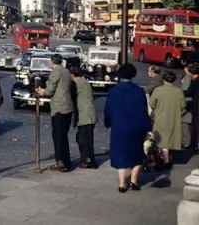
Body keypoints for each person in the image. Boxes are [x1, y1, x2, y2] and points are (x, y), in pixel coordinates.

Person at [104, 63, 151, 193]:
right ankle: (134, 181)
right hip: (136, 126)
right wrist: (148, 128)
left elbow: (108, 111)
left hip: (119, 126)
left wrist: (108, 123)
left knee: (120, 154)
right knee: (137, 153)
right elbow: (143, 112)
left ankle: (122, 183)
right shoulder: (139, 91)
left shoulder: (114, 91)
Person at [36, 54, 73, 172]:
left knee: (58, 136)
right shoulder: (66, 71)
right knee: (63, 135)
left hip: (59, 108)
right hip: (67, 107)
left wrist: (42, 91)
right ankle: (66, 161)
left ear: (52, 62)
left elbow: (49, 91)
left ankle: (61, 162)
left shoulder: (55, 72)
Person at [149, 71, 186, 168]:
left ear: (164, 79)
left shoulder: (158, 90)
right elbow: (183, 105)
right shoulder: (178, 91)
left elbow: (152, 104)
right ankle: (167, 158)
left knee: (162, 139)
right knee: (170, 137)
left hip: (161, 116)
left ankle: (166, 160)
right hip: (174, 117)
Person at [71, 67, 98, 168]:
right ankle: (90, 160)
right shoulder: (85, 82)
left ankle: (87, 160)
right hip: (89, 114)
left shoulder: (78, 84)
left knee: (83, 139)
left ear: (72, 75)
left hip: (84, 115)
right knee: (87, 138)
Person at [184, 63, 199, 153]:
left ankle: (194, 145)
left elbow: (189, 92)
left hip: (196, 107)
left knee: (195, 127)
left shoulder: (195, 81)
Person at [182, 62, 194, 149]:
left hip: (187, 102)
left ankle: (186, 142)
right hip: (192, 103)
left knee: (184, 122)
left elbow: (185, 90)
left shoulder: (188, 77)